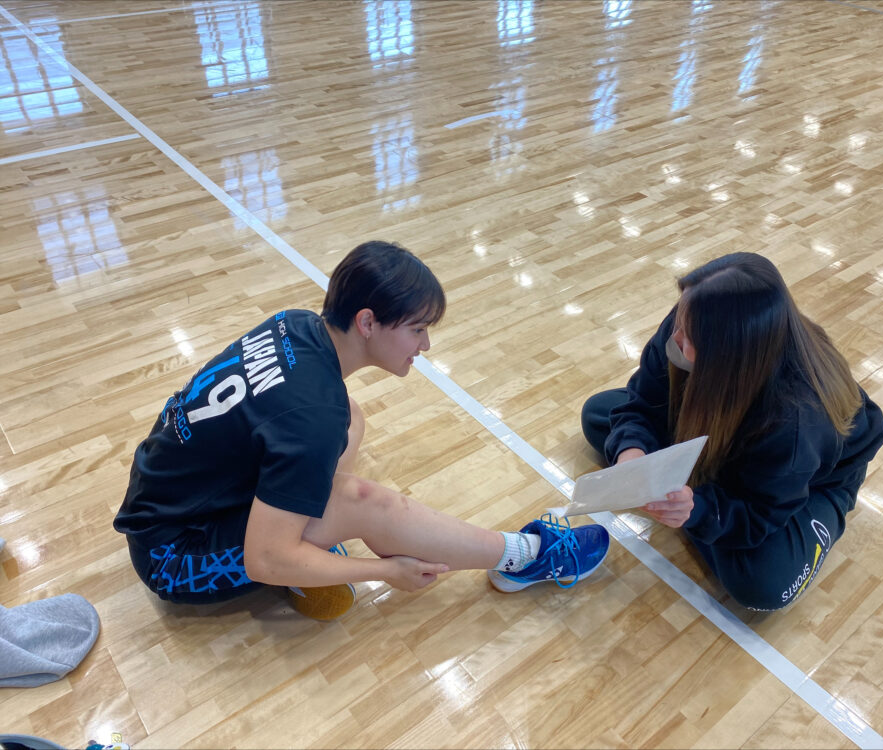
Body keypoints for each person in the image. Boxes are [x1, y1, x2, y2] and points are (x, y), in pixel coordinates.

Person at [115, 240, 609, 616]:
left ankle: (306, 545)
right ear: (368, 322)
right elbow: (262, 559)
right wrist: (384, 569)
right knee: (363, 501)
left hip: (168, 500)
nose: (426, 345)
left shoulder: (295, 323)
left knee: (349, 416)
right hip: (175, 557)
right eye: (417, 329)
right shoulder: (311, 419)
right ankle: (526, 557)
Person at [581, 252, 883, 611]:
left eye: (687, 335)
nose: (674, 336)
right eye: (680, 318)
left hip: (807, 480)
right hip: (726, 433)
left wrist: (696, 510)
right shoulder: (697, 318)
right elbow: (642, 401)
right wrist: (631, 453)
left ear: (726, 355)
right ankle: (703, 485)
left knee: (763, 586)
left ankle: (708, 491)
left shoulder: (796, 421)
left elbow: (759, 514)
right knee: (599, 414)